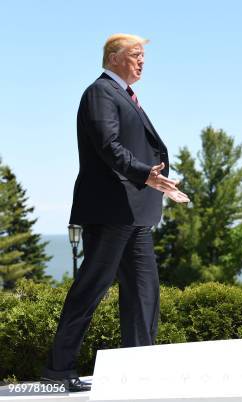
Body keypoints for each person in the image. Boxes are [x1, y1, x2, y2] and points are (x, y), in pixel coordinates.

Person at [41, 33, 189, 391]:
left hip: (135, 213)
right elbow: (108, 146)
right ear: (112, 58)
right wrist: (146, 175)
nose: (142, 61)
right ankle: (59, 369)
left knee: (144, 291)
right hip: (109, 210)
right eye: (135, 55)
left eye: (143, 56)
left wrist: (154, 181)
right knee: (91, 288)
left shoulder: (125, 97)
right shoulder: (100, 93)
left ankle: (139, 369)